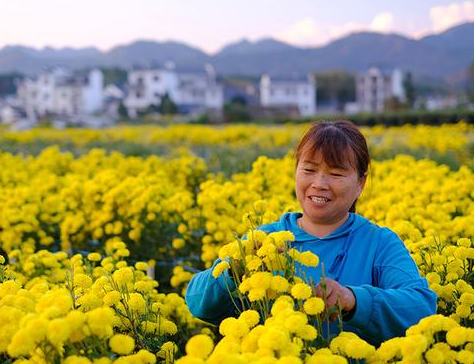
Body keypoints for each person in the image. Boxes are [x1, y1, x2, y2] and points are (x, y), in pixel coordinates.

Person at [185, 120, 437, 346]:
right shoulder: (265, 239)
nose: (319, 184)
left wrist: (353, 300)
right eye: (309, 170)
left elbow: (421, 307)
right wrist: (235, 270)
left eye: (336, 174)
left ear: (361, 183)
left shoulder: (379, 243)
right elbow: (199, 304)